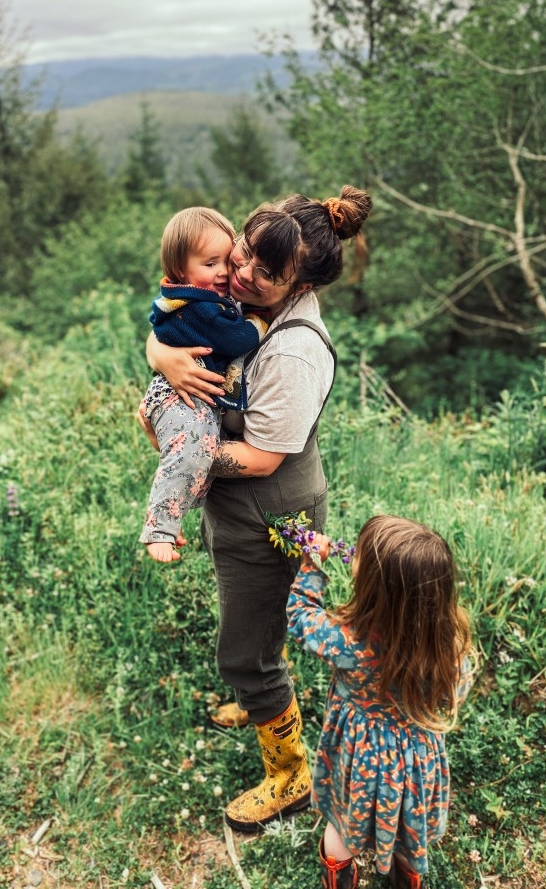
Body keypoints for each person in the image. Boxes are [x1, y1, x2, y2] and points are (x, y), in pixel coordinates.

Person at [140, 185, 373, 831]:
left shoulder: (296, 351)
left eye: (261, 275)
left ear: (296, 285)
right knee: (251, 613)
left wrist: (178, 449)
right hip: (239, 509)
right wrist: (159, 355)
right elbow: (172, 316)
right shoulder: (239, 295)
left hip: (272, 514)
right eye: (241, 254)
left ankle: (290, 773)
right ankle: (262, 695)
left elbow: (264, 459)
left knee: (245, 647)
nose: (240, 273)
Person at [286, 515, 474, 889]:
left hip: (359, 758)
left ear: (376, 588)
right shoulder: (447, 648)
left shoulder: (348, 642)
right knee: (408, 831)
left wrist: (310, 564)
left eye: (360, 557)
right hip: (415, 761)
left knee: (341, 828)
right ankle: (406, 880)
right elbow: (458, 689)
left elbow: (300, 616)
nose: (352, 555)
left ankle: (340, 879)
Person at [139, 206, 268, 563]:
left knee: (193, 458)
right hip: (178, 399)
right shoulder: (201, 308)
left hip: (185, 394)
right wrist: (258, 323)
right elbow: (236, 340)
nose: (224, 272)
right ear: (181, 271)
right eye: (210, 264)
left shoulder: (194, 297)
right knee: (191, 450)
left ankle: (173, 518)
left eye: (227, 261)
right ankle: (158, 529)